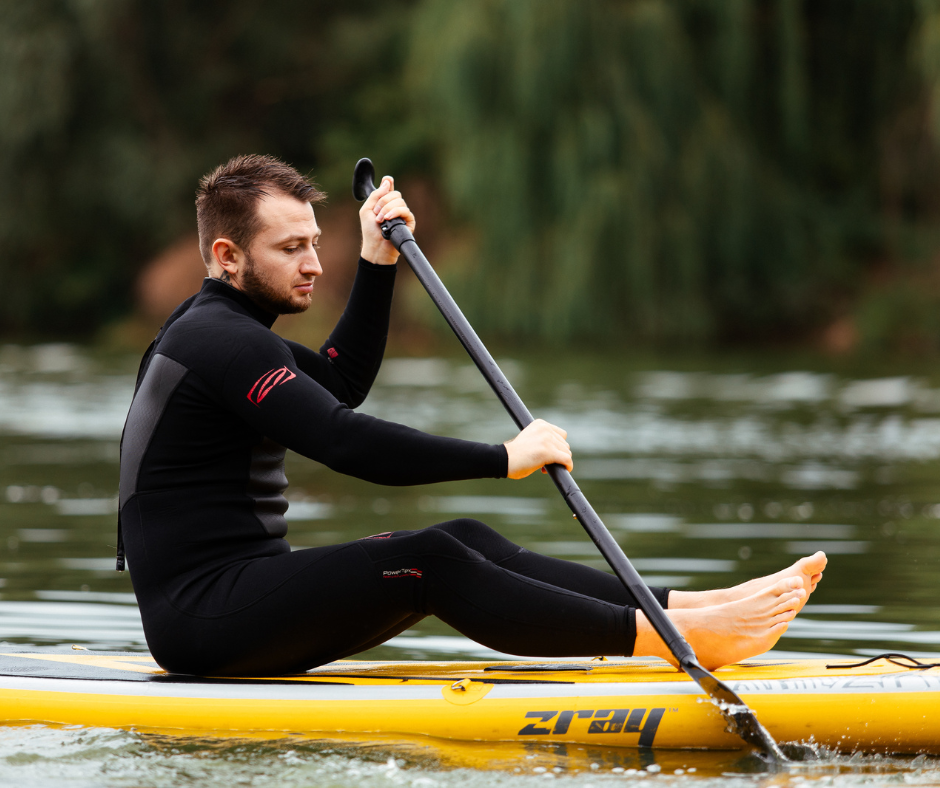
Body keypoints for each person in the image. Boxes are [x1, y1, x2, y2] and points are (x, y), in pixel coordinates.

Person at [117, 154, 827, 676]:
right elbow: (341, 439)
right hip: (202, 620)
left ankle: (685, 609)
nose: (313, 264)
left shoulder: (226, 333)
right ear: (226, 255)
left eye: (314, 243)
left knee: (462, 536)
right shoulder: (216, 339)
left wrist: (375, 260)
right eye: (292, 248)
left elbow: (338, 384)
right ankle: (669, 643)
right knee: (426, 560)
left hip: (235, 597)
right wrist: (501, 457)